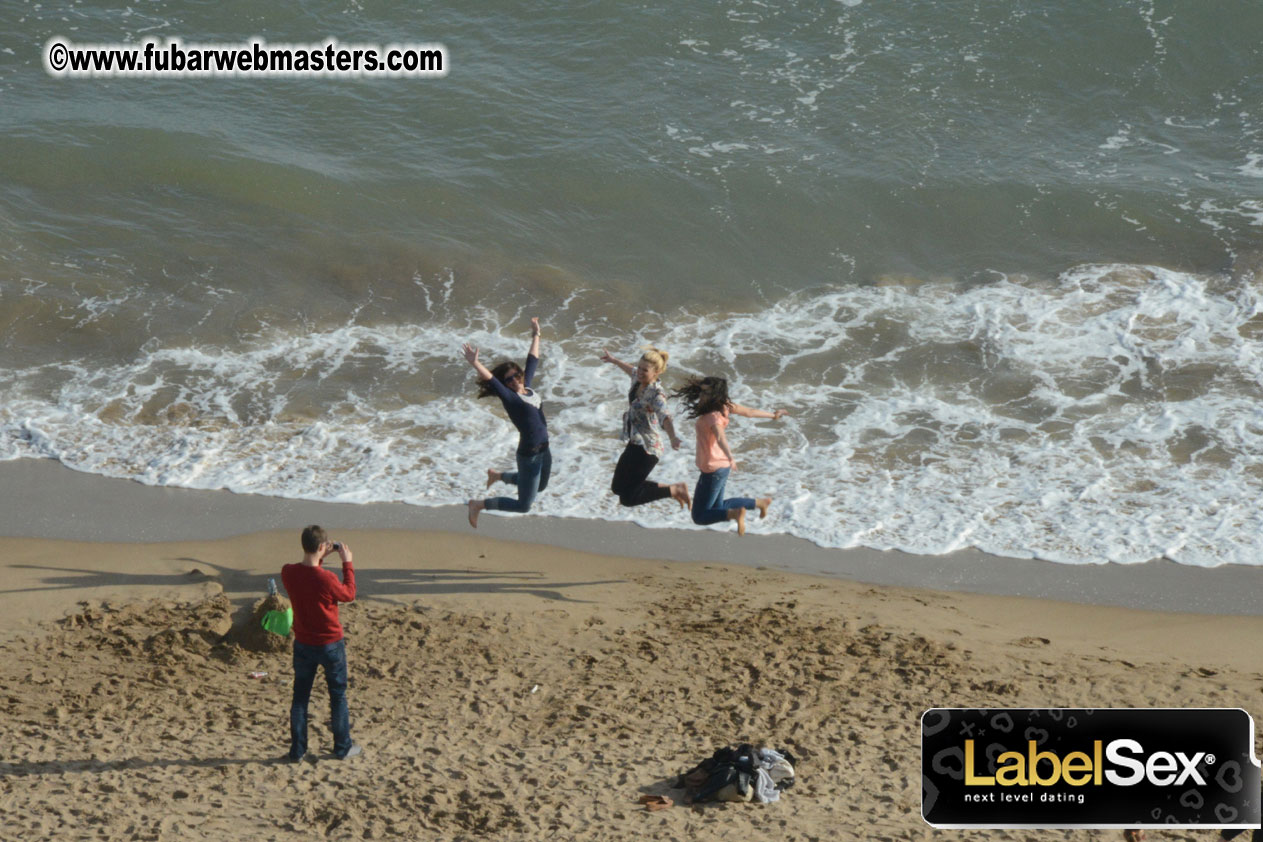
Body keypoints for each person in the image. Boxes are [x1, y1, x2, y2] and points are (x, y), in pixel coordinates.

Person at [281, 525, 361, 761]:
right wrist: (347, 563)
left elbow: (310, 580)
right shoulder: (327, 578)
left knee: (300, 697)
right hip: (330, 644)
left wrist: (319, 558)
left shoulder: (288, 572)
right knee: (337, 696)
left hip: (304, 643)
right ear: (320, 547)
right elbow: (348, 594)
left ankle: (297, 750)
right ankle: (342, 747)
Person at [672, 375, 788, 536]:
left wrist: (730, 456)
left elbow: (720, 436)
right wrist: (773, 415)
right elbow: (750, 412)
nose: (702, 396)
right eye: (702, 391)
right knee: (718, 506)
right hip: (721, 468)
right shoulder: (724, 406)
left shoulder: (713, 416)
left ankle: (734, 514)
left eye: (706, 393)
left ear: (715, 395)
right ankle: (760, 503)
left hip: (713, 470)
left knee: (699, 517)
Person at [463, 317, 550, 528]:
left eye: (516, 376)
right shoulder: (511, 398)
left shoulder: (526, 386)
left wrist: (536, 334)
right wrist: (475, 363)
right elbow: (492, 380)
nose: (514, 380)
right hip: (529, 455)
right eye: (508, 380)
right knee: (524, 506)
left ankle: (498, 475)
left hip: (545, 450)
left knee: (540, 487)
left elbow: (532, 360)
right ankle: (479, 504)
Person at [599, 346, 690, 509]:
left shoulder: (656, 395)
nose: (640, 372)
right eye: (639, 367)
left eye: (645, 370)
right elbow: (631, 370)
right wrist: (614, 360)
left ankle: (675, 490)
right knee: (617, 488)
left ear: (656, 372)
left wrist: (673, 437)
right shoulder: (637, 379)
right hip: (635, 441)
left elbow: (665, 417)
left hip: (649, 449)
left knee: (628, 499)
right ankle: (674, 488)